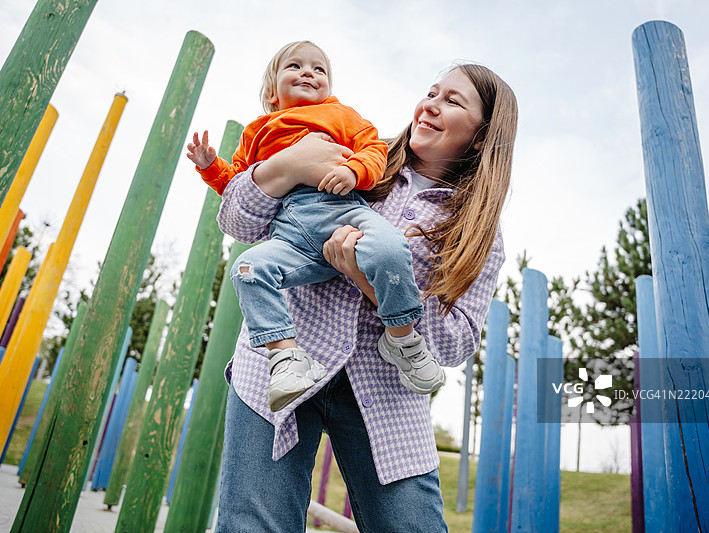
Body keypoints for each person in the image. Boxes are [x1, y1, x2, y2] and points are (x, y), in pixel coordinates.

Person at [214, 62, 517, 532]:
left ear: (481, 138)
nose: (430, 105)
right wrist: (283, 166)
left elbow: (454, 343)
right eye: (431, 92)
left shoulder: (479, 234)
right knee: (253, 525)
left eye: (452, 101)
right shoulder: (355, 157)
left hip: (386, 392)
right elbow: (240, 223)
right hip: (282, 362)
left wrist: (369, 282)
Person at [187, 41, 445, 412]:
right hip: (291, 235)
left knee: (388, 247)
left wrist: (352, 170)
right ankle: (287, 357)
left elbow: (373, 150)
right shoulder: (257, 131)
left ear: (329, 86)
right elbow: (238, 183)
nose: (309, 72)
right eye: (295, 66)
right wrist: (211, 167)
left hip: (342, 211)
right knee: (246, 268)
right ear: (272, 92)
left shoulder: (342, 115)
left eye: (319, 69)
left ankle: (402, 337)